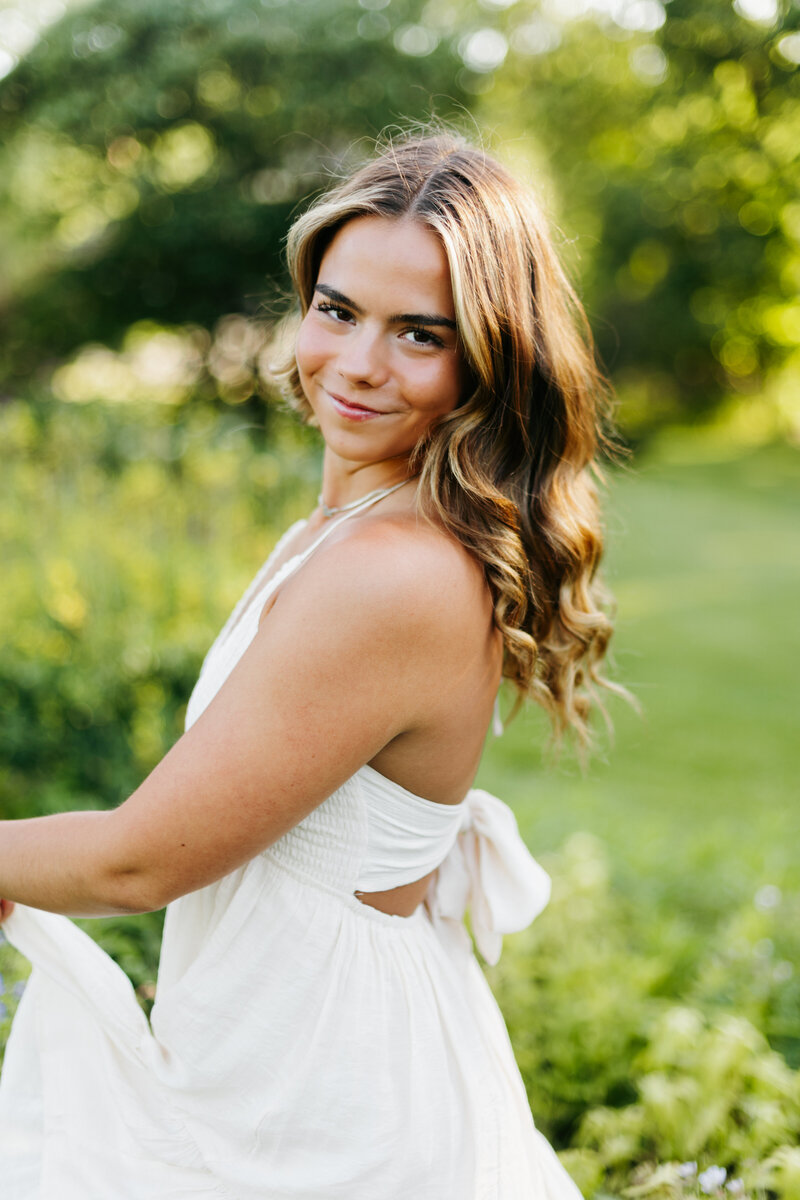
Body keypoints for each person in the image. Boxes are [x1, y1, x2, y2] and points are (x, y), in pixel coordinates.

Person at [0, 128, 623, 1198]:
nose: (357, 363)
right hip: (284, 1053)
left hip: (321, 1106)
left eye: (419, 334)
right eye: (337, 311)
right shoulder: (357, 530)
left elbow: (137, 863)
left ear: (487, 358)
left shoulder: (394, 573)